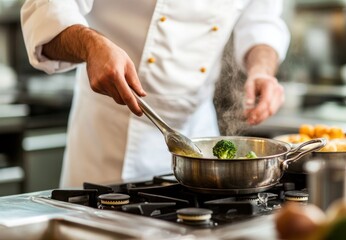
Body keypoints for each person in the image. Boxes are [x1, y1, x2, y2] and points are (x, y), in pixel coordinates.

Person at [21, 0, 290, 187]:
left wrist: (262, 70)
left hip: (197, 137)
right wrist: (92, 46)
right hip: (110, 137)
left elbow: (262, 21)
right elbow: (46, 11)